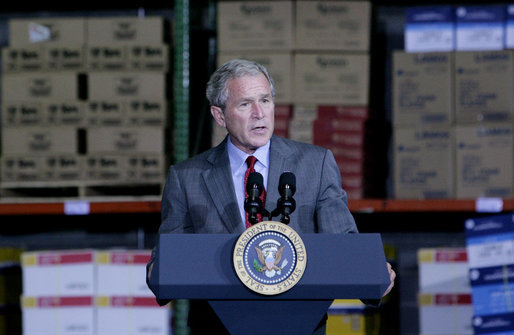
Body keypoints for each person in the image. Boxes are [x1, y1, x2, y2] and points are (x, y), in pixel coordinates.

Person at [147, 59, 396, 334]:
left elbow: (343, 246)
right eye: (245, 104)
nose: (259, 113)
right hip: (218, 327)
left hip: (300, 324)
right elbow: (166, 264)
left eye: (265, 100)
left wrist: (371, 273)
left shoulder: (316, 163)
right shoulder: (187, 177)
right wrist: (156, 273)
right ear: (220, 116)